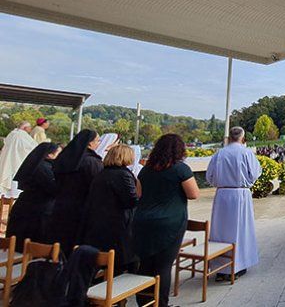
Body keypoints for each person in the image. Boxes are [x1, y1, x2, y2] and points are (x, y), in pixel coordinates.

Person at [134, 134, 198, 307]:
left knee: (145, 264)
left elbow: (138, 194)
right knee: (163, 265)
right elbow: (194, 194)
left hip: (142, 220)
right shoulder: (180, 169)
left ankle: (144, 301)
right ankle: (161, 304)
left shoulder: (146, 168)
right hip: (169, 221)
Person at [207, 127, 262, 281]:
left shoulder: (220, 153)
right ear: (243, 138)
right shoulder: (246, 153)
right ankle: (238, 265)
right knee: (240, 229)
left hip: (222, 195)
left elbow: (209, 176)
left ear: (229, 137)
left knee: (221, 231)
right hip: (240, 194)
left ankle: (221, 266)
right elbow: (255, 173)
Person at [81, 144, 139, 273]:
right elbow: (130, 200)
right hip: (118, 222)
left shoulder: (102, 173)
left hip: (100, 219)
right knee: (122, 259)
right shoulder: (123, 175)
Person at [48, 129, 101, 256]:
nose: (99, 143)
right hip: (81, 208)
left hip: (60, 205)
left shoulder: (64, 158)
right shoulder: (91, 161)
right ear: (90, 143)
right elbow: (97, 185)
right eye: (97, 140)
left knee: (59, 245)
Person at [6, 142, 60, 251]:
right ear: (50, 155)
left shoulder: (37, 166)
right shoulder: (44, 168)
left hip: (25, 206)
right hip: (38, 211)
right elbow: (54, 188)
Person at [0, 122, 38, 198]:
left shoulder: (12, 133)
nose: (30, 129)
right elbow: (31, 147)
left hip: (9, 159)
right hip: (18, 160)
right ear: (25, 128)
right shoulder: (21, 135)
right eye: (29, 127)